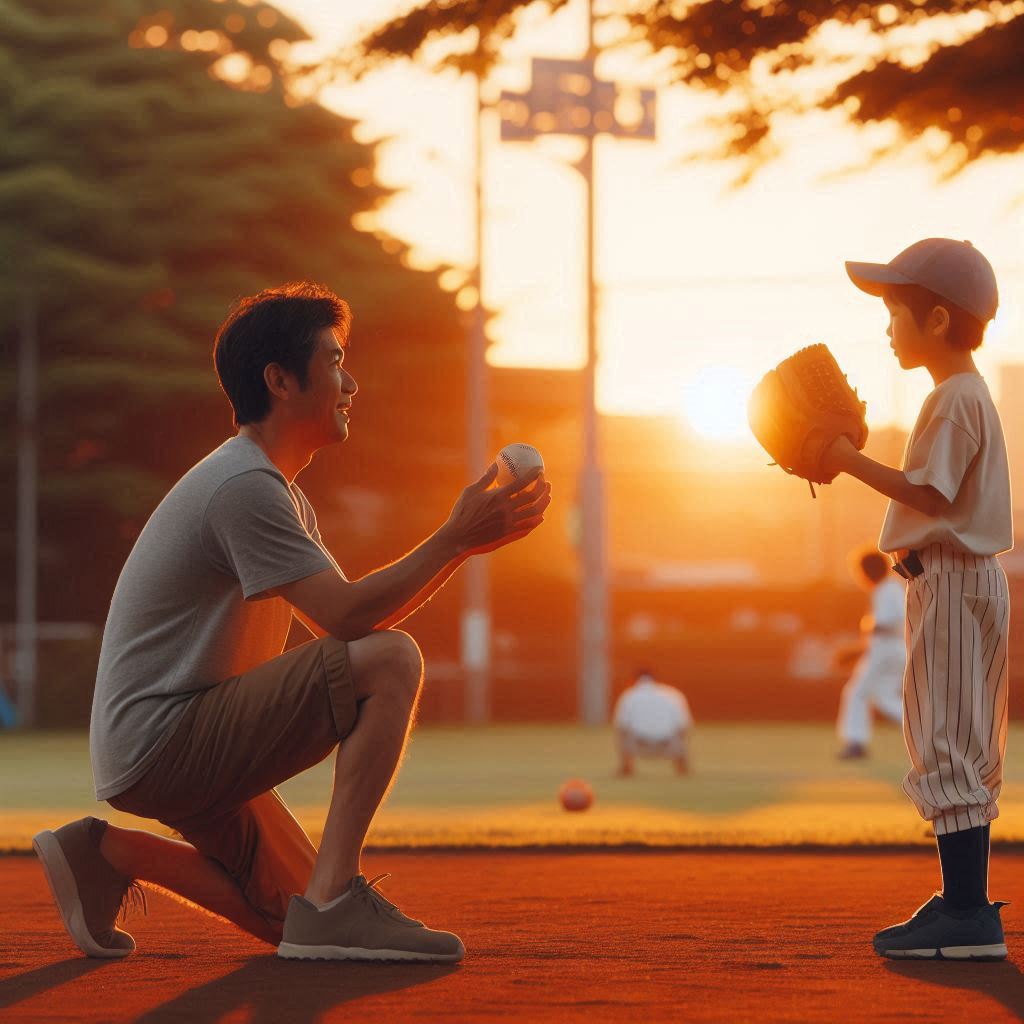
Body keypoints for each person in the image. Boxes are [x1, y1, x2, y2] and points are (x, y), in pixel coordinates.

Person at [32, 282, 551, 963]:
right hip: (169, 738)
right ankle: (336, 900)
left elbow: (343, 617)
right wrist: (454, 540)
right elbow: (347, 623)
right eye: (334, 360)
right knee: (390, 660)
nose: (350, 382)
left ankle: (105, 852)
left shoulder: (271, 489)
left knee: (291, 919)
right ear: (280, 379)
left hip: (168, 742)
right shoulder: (244, 486)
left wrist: (460, 543)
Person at [824, 238, 1010, 961]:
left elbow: (930, 494)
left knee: (945, 741)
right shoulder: (965, 392)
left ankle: (966, 916)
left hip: (954, 576)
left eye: (896, 312)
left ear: (936, 320)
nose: (888, 327)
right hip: (963, 577)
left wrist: (844, 460)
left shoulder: (954, 394)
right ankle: (963, 903)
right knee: (960, 739)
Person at [836, 546, 905, 760]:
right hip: (895, 649)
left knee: (856, 693)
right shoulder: (891, 588)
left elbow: (883, 626)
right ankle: (926, 731)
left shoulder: (886, 590)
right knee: (884, 697)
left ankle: (855, 744)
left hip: (885, 649)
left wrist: (855, 649)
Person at [612, 668, 692, 776]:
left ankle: (627, 767)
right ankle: (682, 767)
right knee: (681, 732)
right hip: (668, 744)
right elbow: (683, 725)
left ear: (635, 679)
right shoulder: (672, 694)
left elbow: (621, 725)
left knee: (622, 731)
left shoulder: (629, 695)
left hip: (639, 744)